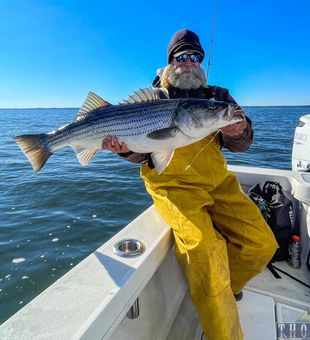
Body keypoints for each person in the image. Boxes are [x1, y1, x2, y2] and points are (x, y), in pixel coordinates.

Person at [103, 29, 278, 340]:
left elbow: (243, 142)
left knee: (262, 243)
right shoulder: (155, 99)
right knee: (206, 250)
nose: (187, 63)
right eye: (180, 57)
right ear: (170, 63)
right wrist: (125, 148)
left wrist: (238, 130)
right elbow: (141, 154)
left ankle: (227, 287)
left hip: (218, 183)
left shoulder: (219, 97)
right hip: (173, 188)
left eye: (194, 57)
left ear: (201, 62)